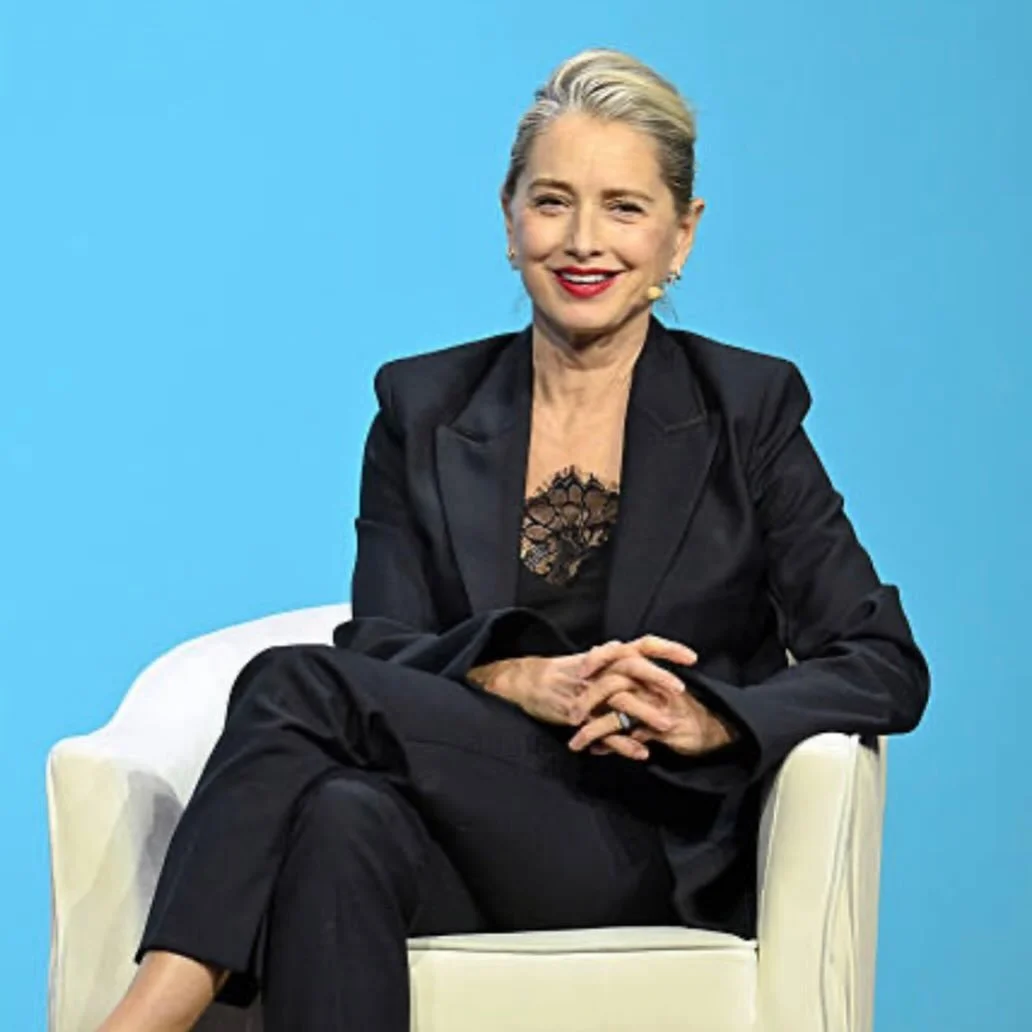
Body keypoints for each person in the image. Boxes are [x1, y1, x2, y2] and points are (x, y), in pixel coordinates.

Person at [98, 47, 930, 1032]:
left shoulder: (747, 410)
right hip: (472, 825)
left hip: (653, 845)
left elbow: (882, 663)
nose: (585, 240)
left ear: (681, 237)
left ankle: (139, 1020)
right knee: (338, 818)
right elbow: (383, 646)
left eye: (625, 207)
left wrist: (713, 718)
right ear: (508, 218)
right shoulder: (422, 406)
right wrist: (513, 677)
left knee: (292, 684)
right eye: (552, 202)